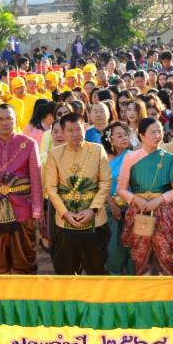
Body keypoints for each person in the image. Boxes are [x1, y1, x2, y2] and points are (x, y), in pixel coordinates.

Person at [0, 104, 42, 274]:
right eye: (0, 119)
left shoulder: (29, 144)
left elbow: (36, 180)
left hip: (23, 211)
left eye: (9, 118)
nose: (5, 123)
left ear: (15, 120)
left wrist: (37, 213)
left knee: (24, 264)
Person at [45, 112, 112, 275]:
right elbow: (51, 188)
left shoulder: (97, 150)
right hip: (64, 222)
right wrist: (65, 213)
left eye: (78, 129)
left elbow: (105, 182)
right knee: (65, 270)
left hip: (95, 220)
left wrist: (93, 209)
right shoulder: (54, 154)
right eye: (70, 130)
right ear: (62, 133)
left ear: (85, 128)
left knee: (96, 269)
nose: (75, 134)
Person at [117, 118, 173, 275]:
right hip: (139, 210)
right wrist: (136, 200)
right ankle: (143, 286)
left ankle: (166, 285)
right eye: (153, 132)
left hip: (164, 211)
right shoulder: (130, 157)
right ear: (141, 135)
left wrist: (159, 200)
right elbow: (121, 189)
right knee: (140, 254)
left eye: (160, 131)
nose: (158, 135)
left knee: (166, 253)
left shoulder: (170, 159)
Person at [101, 121, 135, 275]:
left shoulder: (133, 156)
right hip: (110, 210)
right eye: (119, 136)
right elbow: (100, 183)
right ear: (110, 139)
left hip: (132, 209)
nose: (124, 138)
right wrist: (112, 204)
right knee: (113, 248)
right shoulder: (103, 158)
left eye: (126, 135)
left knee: (133, 249)